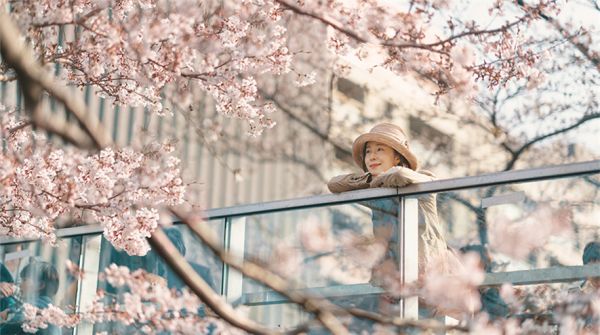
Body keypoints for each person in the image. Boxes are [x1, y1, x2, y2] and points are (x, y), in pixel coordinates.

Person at [327, 123, 448, 276]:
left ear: (397, 157)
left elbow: (400, 175)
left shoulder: (422, 180)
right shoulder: (375, 190)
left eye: (380, 149)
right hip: (392, 275)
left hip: (429, 272)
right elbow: (334, 184)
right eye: (368, 151)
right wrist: (370, 180)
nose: (372, 156)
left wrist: (377, 180)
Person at [0, 261, 61, 335]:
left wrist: (9, 312)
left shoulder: (32, 308)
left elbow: (6, 329)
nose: (20, 284)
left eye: (24, 280)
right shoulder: (50, 311)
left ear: (40, 285)